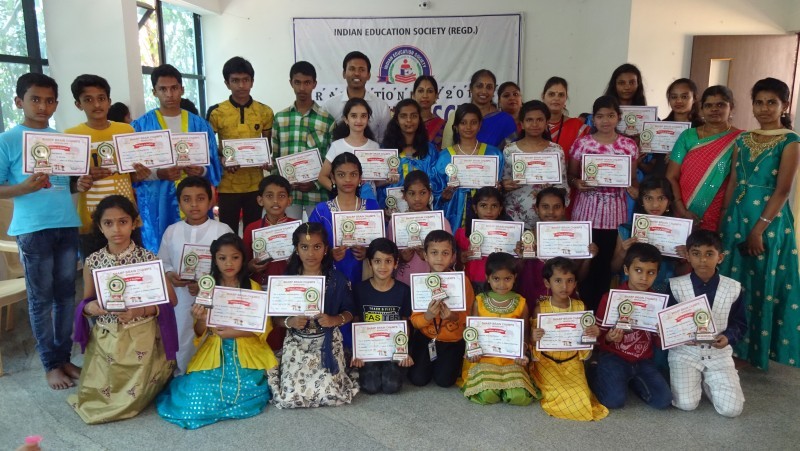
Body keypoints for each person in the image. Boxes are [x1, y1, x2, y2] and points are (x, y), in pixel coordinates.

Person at [0, 73, 92, 389]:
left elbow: (66, 185)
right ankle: (50, 364)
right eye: (35, 99)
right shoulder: (8, 140)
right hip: (33, 230)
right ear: (19, 102)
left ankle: (64, 358)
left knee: (66, 296)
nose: (43, 106)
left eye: (49, 100)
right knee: (41, 300)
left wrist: (80, 184)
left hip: (66, 224)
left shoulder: (61, 140)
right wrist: (23, 188)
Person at [69, 195, 178, 423]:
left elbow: (171, 300)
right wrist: (92, 307)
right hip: (107, 336)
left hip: (142, 336)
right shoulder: (93, 261)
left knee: (132, 399)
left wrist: (139, 311)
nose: (116, 229)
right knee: (95, 396)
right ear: (100, 227)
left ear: (134, 223)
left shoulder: (148, 259)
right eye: (108, 223)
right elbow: (86, 302)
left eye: (123, 221)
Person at [156, 233, 277, 429]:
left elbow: (262, 327)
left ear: (243, 259)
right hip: (215, 351)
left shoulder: (253, 287)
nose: (229, 263)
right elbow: (199, 331)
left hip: (246, 351)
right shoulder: (207, 289)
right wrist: (201, 319)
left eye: (235, 257)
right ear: (215, 260)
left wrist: (234, 332)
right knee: (193, 396)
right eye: (222, 258)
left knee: (246, 390)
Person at [719, 77, 800, 371]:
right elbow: (733, 181)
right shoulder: (742, 139)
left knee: (760, 282)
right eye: (759, 102)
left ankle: (755, 350)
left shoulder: (790, 141)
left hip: (768, 221)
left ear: (784, 105)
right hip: (736, 218)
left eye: (771, 102)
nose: (764, 108)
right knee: (733, 281)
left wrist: (758, 230)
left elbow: (783, 190)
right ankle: (730, 344)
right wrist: (724, 218)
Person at [132, 64, 221, 252]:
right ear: (154, 92)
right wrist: (159, 173)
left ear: (182, 89)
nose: (169, 94)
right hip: (158, 200)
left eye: (174, 88)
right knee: (162, 250)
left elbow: (214, 166)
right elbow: (133, 172)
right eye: (163, 89)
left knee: (200, 250)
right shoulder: (140, 126)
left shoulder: (200, 125)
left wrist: (201, 171)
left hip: (194, 197)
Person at [268, 222, 359, 408]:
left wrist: (334, 319)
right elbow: (275, 319)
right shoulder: (287, 280)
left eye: (317, 247)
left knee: (331, 395)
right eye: (304, 247)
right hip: (297, 342)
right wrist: (290, 322)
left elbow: (351, 311)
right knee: (290, 398)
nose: (311, 253)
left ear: (325, 249)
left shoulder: (337, 279)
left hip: (327, 342)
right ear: (296, 249)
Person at [568, 96, 639, 310]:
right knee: (583, 263)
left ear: (618, 117)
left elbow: (632, 179)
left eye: (610, 115)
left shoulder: (628, 145)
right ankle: (582, 311)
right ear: (593, 119)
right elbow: (570, 175)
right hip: (585, 213)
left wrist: (634, 189)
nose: (605, 120)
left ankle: (601, 314)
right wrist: (576, 183)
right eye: (600, 116)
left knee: (607, 267)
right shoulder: (582, 143)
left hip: (614, 214)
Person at [65, 74, 146, 259]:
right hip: (91, 220)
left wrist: (140, 174)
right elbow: (70, 183)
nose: (96, 105)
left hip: (127, 217)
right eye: (88, 100)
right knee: (95, 271)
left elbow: (131, 175)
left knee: (133, 270)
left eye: (101, 98)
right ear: (78, 104)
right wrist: (81, 180)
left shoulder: (126, 130)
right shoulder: (72, 136)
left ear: (109, 101)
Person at [158, 176, 233, 374]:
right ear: (179, 202)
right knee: (183, 334)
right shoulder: (172, 231)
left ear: (210, 201)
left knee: (213, 333)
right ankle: (184, 373)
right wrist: (170, 275)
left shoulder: (222, 230)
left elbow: (233, 265)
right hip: (181, 296)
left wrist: (207, 284)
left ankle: (213, 374)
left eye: (200, 198)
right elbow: (163, 262)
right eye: (187, 199)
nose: (193, 205)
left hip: (215, 296)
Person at [667, 230, 746, 417]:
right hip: (685, 353)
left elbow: (740, 323)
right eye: (696, 253)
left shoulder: (733, 288)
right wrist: (676, 335)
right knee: (686, 404)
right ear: (688, 256)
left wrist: (727, 338)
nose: (703, 260)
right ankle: (702, 381)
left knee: (732, 410)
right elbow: (669, 323)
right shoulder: (675, 286)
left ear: (720, 257)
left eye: (709, 254)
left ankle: (711, 383)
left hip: (718, 354)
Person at [588, 243, 672, 410]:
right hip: (614, 357)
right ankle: (595, 371)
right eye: (638, 270)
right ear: (626, 270)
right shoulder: (610, 298)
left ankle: (632, 380)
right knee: (613, 401)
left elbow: (658, 342)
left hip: (643, 360)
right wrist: (609, 338)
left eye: (651, 272)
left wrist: (661, 333)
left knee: (663, 401)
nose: (644, 278)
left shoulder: (658, 302)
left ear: (657, 274)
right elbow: (598, 336)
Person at [530, 257, 608, 421]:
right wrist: (534, 337)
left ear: (575, 283)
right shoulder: (540, 309)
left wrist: (593, 333)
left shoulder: (580, 307)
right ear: (547, 283)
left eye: (569, 280)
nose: (564, 286)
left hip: (572, 361)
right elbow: (533, 342)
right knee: (559, 393)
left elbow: (586, 339)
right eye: (558, 280)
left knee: (581, 394)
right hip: (547, 362)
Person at [458, 252, 540, 405]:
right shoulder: (479, 301)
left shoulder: (521, 302)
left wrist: (522, 353)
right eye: (496, 279)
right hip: (484, 358)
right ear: (488, 278)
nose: (502, 284)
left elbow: (524, 333)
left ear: (515, 277)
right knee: (488, 395)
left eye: (507, 279)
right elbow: (472, 333)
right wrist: (472, 351)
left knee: (519, 397)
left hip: (511, 359)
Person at [206, 56, 273, 235]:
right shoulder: (216, 112)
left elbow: (267, 146)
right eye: (235, 80)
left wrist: (267, 159)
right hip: (227, 185)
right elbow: (209, 148)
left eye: (245, 80)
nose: (241, 85)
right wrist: (222, 159)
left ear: (252, 81)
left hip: (255, 185)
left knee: (254, 233)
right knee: (228, 233)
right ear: (227, 83)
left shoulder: (265, 111)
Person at [667, 85, 742, 232]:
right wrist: (682, 209)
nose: (714, 109)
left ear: (731, 107)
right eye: (708, 105)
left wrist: (724, 214)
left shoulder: (740, 139)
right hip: (683, 207)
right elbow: (671, 176)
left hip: (720, 210)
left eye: (720, 105)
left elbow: (737, 181)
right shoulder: (687, 136)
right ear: (701, 109)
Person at [408, 230, 476, 387]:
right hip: (426, 336)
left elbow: (470, 317)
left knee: (444, 381)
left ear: (453, 257)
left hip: (452, 339)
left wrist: (453, 316)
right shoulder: (420, 282)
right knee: (418, 379)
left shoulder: (463, 282)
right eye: (434, 252)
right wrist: (427, 316)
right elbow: (415, 321)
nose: (439, 258)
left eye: (445, 253)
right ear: (425, 255)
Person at [516, 187, 598, 311]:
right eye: (545, 206)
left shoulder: (575, 236)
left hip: (564, 299)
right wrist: (522, 257)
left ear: (564, 209)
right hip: (531, 295)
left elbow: (579, 277)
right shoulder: (527, 237)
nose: (551, 212)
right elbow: (516, 274)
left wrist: (588, 257)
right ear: (536, 209)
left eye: (557, 207)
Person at [272, 61, 336, 220]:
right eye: (297, 82)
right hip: (287, 194)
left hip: (317, 193)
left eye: (307, 83)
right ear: (291, 83)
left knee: (319, 231)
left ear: (314, 84)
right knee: (289, 232)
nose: (302, 88)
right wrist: (279, 187)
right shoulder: (280, 118)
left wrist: (316, 183)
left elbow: (332, 159)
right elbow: (275, 157)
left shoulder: (327, 119)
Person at [351, 238, 414, 394]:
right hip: (368, 351)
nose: (383, 266)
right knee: (370, 387)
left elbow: (405, 323)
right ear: (370, 263)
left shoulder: (404, 291)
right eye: (377, 261)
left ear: (396, 263)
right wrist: (356, 352)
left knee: (391, 386)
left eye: (388, 261)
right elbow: (356, 321)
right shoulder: (359, 290)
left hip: (393, 350)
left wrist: (404, 351)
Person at [242, 174, 297, 350]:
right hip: (261, 288)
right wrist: (250, 266)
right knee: (266, 335)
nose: (275, 201)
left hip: (290, 290)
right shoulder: (251, 229)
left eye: (281, 196)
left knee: (288, 336)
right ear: (260, 200)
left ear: (289, 200)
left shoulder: (297, 227)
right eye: (269, 196)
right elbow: (243, 264)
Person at [311, 151, 381, 285]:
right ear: (333, 177)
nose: (348, 180)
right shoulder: (321, 211)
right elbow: (310, 245)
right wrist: (328, 254)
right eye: (341, 175)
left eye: (353, 174)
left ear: (360, 178)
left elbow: (382, 244)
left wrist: (368, 252)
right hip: (331, 278)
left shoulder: (372, 206)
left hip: (366, 276)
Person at [433, 103, 504, 230]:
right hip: (453, 214)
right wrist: (443, 196)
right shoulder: (444, 157)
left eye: (473, 122)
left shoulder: (493, 154)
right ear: (456, 126)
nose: (468, 127)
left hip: (485, 213)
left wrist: (499, 188)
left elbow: (499, 189)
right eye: (463, 123)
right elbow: (435, 191)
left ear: (480, 125)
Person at [610, 176, 685, 294]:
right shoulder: (626, 230)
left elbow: (681, 273)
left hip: (665, 292)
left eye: (661, 198)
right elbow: (614, 269)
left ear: (669, 202)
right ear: (641, 201)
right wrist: (623, 252)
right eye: (649, 198)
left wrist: (688, 259)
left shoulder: (680, 231)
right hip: (632, 294)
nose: (655, 205)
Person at [502, 100, 569, 229]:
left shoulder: (556, 150)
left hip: (548, 217)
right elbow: (503, 181)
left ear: (546, 123)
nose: (534, 124)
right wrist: (504, 185)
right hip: (514, 215)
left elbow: (563, 185)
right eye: (529, 120)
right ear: (522, 124)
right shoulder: (509, 150)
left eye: (539, 120)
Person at [389, 171, 452, 286]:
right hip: (403, 282)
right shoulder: (395, 222)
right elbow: (387, 255)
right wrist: (401, 258)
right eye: (411, 193)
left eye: (422, 193)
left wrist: (430, 256)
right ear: (404, 196)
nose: (417, 198)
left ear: (429, 194)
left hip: (435, 283)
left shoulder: (441, 222)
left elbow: (452, 257)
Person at [378, 98, 437, 207]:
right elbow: (376, 184)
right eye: (403, 116)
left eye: (414, 116)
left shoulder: (430, 150)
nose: (409, 120)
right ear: (397, 120)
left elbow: (436, 182)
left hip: (423, 208)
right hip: (393, 207)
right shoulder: (385, 150)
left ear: (419, 119)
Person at [318, 98, 381, 200]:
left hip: (369, 202)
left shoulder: (374, 146)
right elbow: (322, 177)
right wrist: (337, 191)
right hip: (343, 203)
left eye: (363, 116)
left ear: (368, 119)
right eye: (354, 116)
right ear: (346, 119)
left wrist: (389, 179)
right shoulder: (337, 146)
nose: (359, 120)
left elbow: (376, 181)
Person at [322, 51, 391, 142]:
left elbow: (384, 141)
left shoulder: (381, 107)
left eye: (362, 70)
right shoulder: (329, 106)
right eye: (352, 69)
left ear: (369, 75)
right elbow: (325, 140)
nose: (357, 73)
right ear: (344, 74)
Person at [442, 70, 517, 149]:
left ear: (494, 90)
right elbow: (446, 151)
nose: (484, 91)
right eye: (479, 86)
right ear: (471, 88)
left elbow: (512, 153)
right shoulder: (456, 116)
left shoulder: (505, 120)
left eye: (489, 87)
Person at [455, 186, 510, 291]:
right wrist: (460, 259)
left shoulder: (509, 234)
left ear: (500, 209)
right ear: (475, 208)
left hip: (500, 286)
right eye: (483, 205)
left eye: (494, 206)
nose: (489, 210)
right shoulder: (461, 233)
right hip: (470, 284)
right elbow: (454, 265)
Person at [542, 77, 589, 161]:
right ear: (543, 97)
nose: (556, 98)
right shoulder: (534, 125)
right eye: (551, 94)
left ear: (565, 98)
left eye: (561, 95)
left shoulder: (577, 126)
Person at [412, 75, 445, 150]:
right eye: (421, 91)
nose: (425, 96)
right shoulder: (406, 123)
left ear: (436, 96)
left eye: (430, 91)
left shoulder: (442, 125)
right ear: (413, 95)